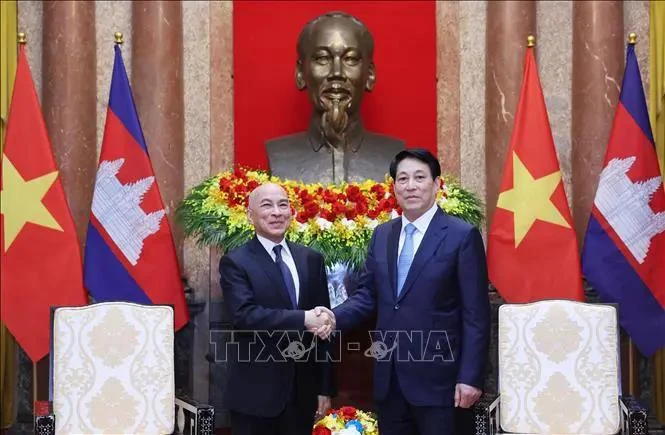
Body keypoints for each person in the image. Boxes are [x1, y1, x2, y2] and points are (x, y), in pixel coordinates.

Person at [323, 149, 491, 435]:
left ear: (437, 184)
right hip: (390, 382)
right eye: (402, 178)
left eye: (419, 177)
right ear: (394, 187)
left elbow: (476, 314)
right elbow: (367, 296)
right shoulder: (382, 235)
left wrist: (470, 377)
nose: (410, 185)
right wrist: (331, 318)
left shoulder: (461, 236)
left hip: (442, 383)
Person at [219, 183, 336, 435]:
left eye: (283, 205)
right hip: (255, 396)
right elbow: (245, 316)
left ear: (291, 212)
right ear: (250, 215)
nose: (276, 212)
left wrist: (324, 388)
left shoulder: (311, 260)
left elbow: (324, 329)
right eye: (267, 205)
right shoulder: (236, 262)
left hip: (302, 396)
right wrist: (304, 318)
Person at [265, 11, 404, 184]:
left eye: (350, 59)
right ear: (301, 73)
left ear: (369, 75)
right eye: (322, 58)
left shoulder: (395, 155)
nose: (336, 73)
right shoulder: (279, 154)